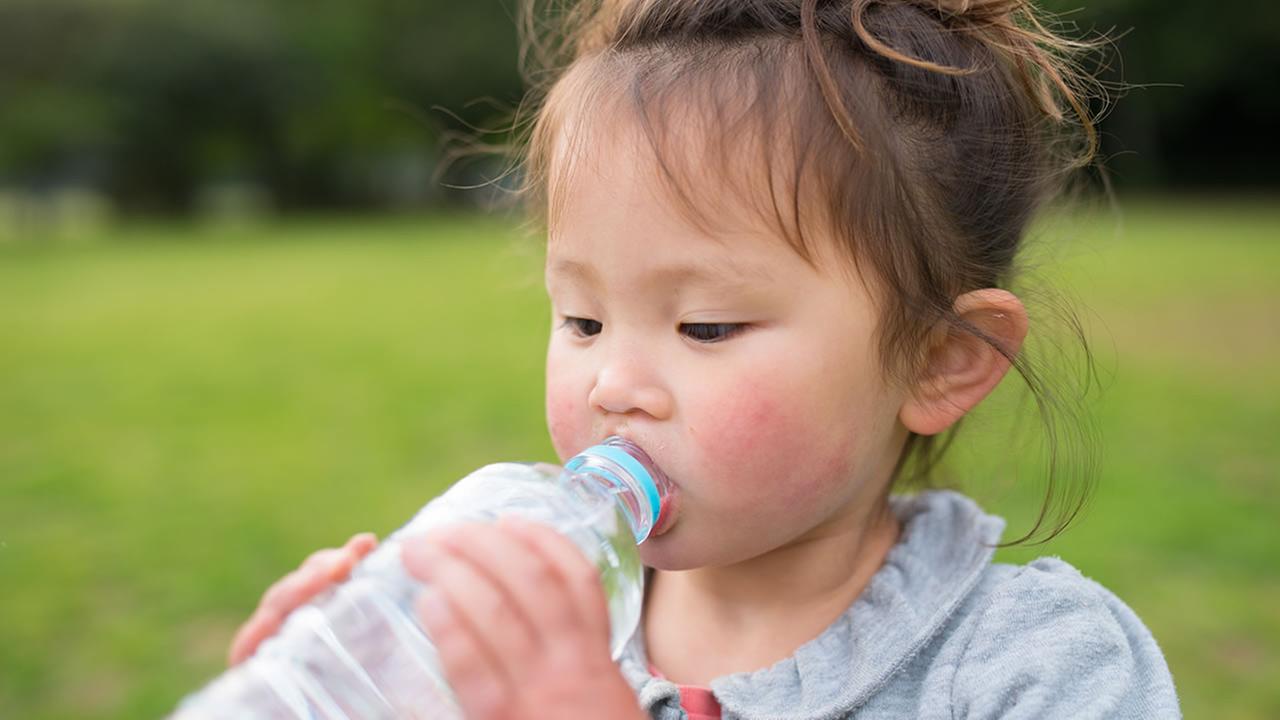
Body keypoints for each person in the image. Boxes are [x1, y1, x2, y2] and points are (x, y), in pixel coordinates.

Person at [227, 0, 1181, 717]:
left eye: (707, 327)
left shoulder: (1038, 670)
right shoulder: (521, 637)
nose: (614, 386)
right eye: (583, 321)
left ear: (941, 361)